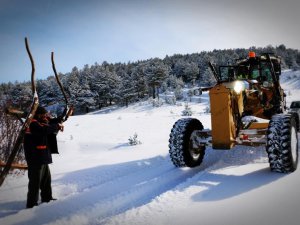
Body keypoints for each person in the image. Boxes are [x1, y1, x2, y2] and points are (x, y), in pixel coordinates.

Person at [23, 106, 64, 208]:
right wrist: (57, 126)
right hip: (35, 158)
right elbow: (43, 130)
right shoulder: (32, 123)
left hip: (42, 157)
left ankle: (47, 198)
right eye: (44, 114)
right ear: (38, 114)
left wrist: (61, 120)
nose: (46, 116)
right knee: (35, 183)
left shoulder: (41, 121)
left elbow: (50, 123)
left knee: (46, 180)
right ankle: (31, 204)